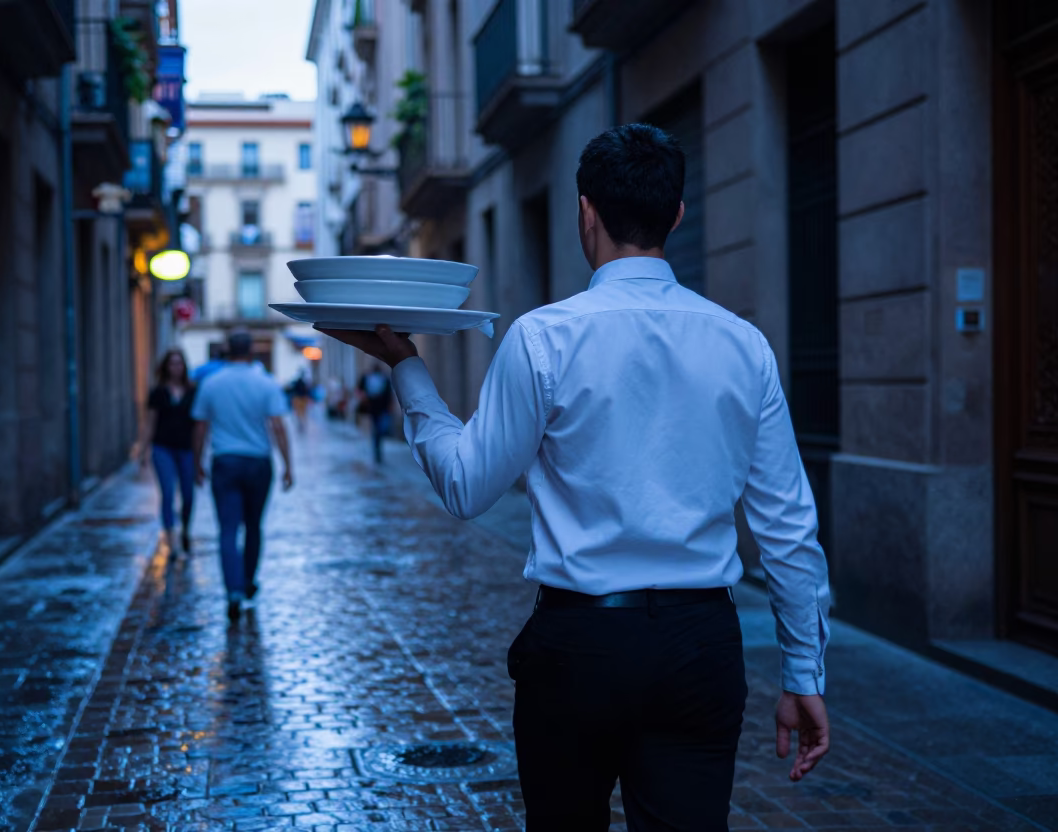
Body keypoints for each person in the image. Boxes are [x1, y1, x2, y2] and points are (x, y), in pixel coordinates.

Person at [318, 124, 831, 830]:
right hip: (700, 645)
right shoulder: (744, 345)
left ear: (585, 212)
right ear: (678, 215)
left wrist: (407, 367)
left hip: (581, 643)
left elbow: (466, 487)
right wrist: (803, 673)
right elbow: (788, 527)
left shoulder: (544, 337)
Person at [191, 330, 294, 621]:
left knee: (227, 529)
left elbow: (200, 427)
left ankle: (233, 590)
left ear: (227, 350)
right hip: (258, 462)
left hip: (225, 461)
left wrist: (197, 462)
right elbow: (278, 426)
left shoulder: (211, 383)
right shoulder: (265, 382)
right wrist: (288, 465)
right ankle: (248, 580)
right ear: (251, 351)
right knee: (253, 526)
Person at [134, 349, 197, 555]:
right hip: (163, 448)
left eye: (179, 363)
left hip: (186, 449)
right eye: (172, 363)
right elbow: (150, 423)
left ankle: (185, 529)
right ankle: (170, 539)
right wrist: (143, 450)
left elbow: (200, 424)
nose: (176, 368)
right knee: (168, 493)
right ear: (166, 367)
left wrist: (200, 452)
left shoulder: (193, 391)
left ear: (184, 366)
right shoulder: (158, 392)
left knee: (188, 495)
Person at [357, 364, 393, 465]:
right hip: (374, 409)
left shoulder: (380, 379)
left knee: (377, 431)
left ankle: (376, 450)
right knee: (376, 430)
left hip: (377, 409)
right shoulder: (378, 379)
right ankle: (375, 451)